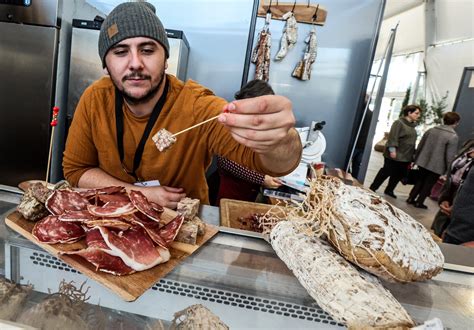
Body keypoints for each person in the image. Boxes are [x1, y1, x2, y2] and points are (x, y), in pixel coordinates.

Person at [62, 2, 302, 209]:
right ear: (106, 65)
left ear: (166, 59)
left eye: (147, 50)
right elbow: (76, 170)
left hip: (184, 229)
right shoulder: (95, 99)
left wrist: (281, 139)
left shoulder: (197, 107)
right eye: (121, 51)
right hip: (114, 221)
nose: (135, 63)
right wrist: (138, 195)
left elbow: (278, 165)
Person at [215, 80, 283, 205]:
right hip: (230, 194)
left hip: (250, 193)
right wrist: (262, 179)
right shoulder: (230, 123)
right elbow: (225, 161)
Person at [407, 112, 460, 209]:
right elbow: (449, 156)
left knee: (420, 180)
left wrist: (416, 158)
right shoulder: (453, 136)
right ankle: (419, 202)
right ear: (455, 122)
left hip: (422, 161)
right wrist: (449, 170)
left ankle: (411, 198)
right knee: (429, 183)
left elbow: (420, 145)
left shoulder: (431, 130)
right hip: (437, 165)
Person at [369, 105, 421, 198]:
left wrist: (413, 156)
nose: (418, 115)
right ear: (409, 113)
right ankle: (373, 187)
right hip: (394, 154)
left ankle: (389, 190)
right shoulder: (399, 123)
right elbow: (393, 137)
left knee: (398, 174)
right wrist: (392, 150)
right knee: (386, 172)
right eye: (416, 113)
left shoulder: (412, 126)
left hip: (406, 157)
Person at [431, 139, 474, 238]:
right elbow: (453, 173)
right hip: (450, 198)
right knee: (437, 236)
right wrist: (445, 198)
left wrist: (458, 208)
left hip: (464, 218)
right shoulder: (470, 144)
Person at [351, 94, 373, 180]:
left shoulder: (357, 112)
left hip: (356, 143)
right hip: (363, 144)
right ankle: (354, 180)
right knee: (357, 165)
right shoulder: (371, 114)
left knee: (348, 163)